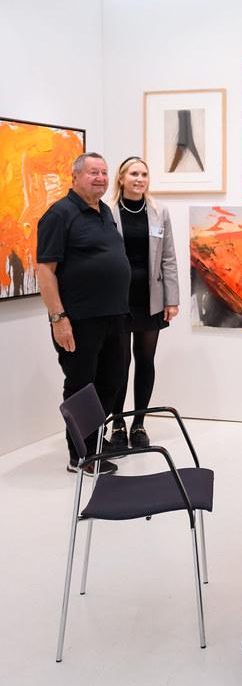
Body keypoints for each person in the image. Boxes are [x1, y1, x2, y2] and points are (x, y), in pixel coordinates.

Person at [36, 152, 131, 473]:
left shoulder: (104, 211)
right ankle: (81, 455)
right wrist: (58, 318)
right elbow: (45, 271)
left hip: (114, 316)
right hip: (78, 320)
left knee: (112, 380)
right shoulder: (59, 214)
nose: (100, 178)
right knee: (81, 386)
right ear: (75, 177)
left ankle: (94, 441)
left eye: (104, 172)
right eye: (93, 172)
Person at [109, 156, 179, 449]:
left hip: (151, 297)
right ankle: (118, 424)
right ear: (121, 178)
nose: (140, 179)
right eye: (134, 174)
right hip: (118, 299)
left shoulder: (159, 211)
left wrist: (172, 300)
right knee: (119, 363)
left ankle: (139, 424)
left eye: (144, 174)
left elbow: (169, 257)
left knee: (145, 360)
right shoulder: (107, 212)